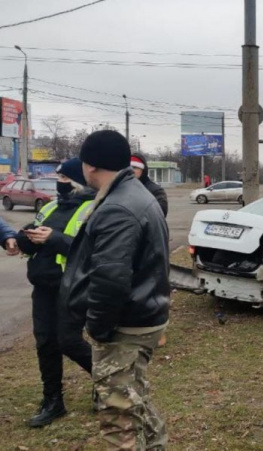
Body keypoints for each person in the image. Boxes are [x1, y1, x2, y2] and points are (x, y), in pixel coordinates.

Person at [58, 130, 169, 449]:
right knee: (133, 397)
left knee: (118, 418)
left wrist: (99, 328)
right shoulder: (134, 193)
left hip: (126, 327)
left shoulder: (118, 207)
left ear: (89, 166)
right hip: (143, 316)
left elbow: (110, 279)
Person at [14, 159, 96, 427]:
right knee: (46, 343)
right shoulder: (51, 205)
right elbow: (32, 233)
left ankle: (108, 382)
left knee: (68, 342)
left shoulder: (92, 209)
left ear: (78, 181)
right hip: (43, 287)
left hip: (72, 287)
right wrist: (22, 239)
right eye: (57, 179)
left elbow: (91, 252)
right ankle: (52, 402)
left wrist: (54, 239)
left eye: (64, 179)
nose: (59, 184)